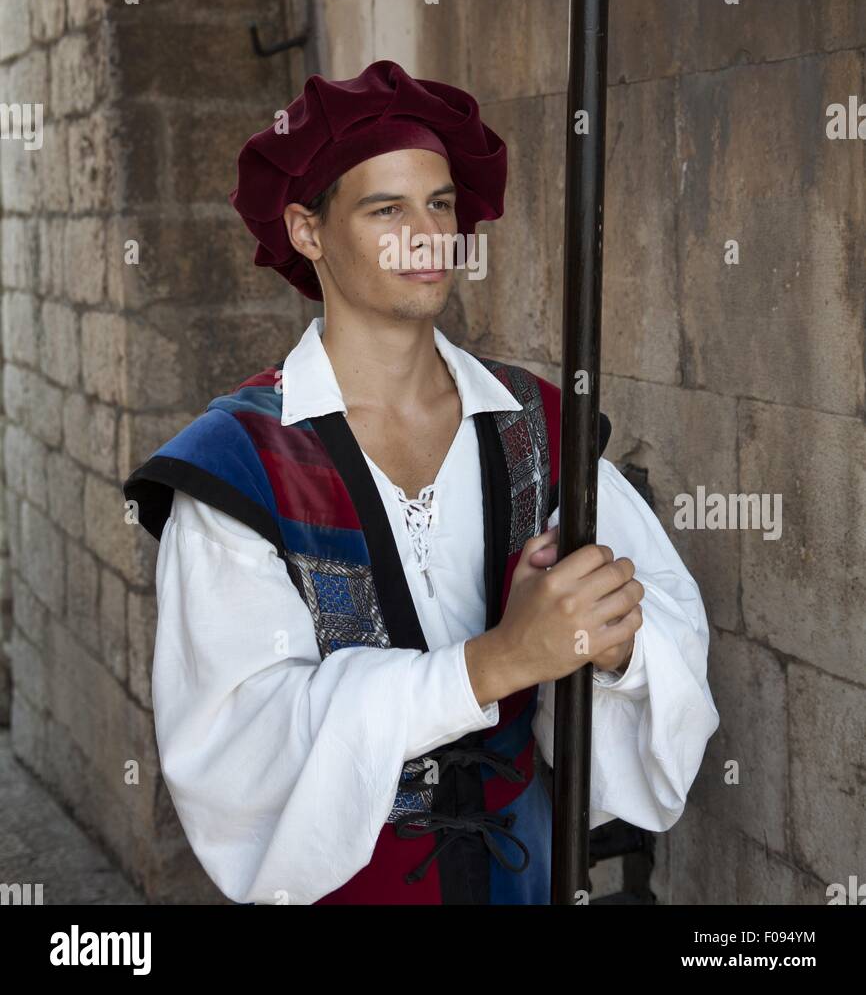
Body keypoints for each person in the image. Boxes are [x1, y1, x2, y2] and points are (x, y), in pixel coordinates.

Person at [123, 59, 719, 906]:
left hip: (527, 874)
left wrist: (614, 641)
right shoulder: (238, 466)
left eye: (440, 204)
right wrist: (497, 661)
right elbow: (238, 738)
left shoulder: (536, 426)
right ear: (307, 230)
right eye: (386, 208)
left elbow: (667, 617)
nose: (427, 235)